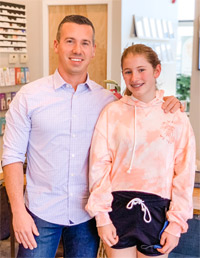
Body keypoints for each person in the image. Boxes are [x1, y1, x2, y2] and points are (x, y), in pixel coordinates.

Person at [2, 15, 182, 258]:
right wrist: (18, 212)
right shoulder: (28, 97)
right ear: (56, 45)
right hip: (39, 213)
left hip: (87, 216)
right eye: (70, 41)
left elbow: (144, 106)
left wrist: (169, 102)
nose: (78, 49)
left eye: (85, 43)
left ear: (94, 50)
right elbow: (12, 156)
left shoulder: (109, 102)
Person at [86, 44, 196, 258]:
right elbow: (99, 166)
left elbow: (184, 174)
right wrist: (102, 217)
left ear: (157, 71)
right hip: (117, 209)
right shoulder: (112, 113)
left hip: (158, 210)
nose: (135, 77)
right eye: (128, 71)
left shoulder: (175, 117)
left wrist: (176, 224)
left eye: (141, 69)